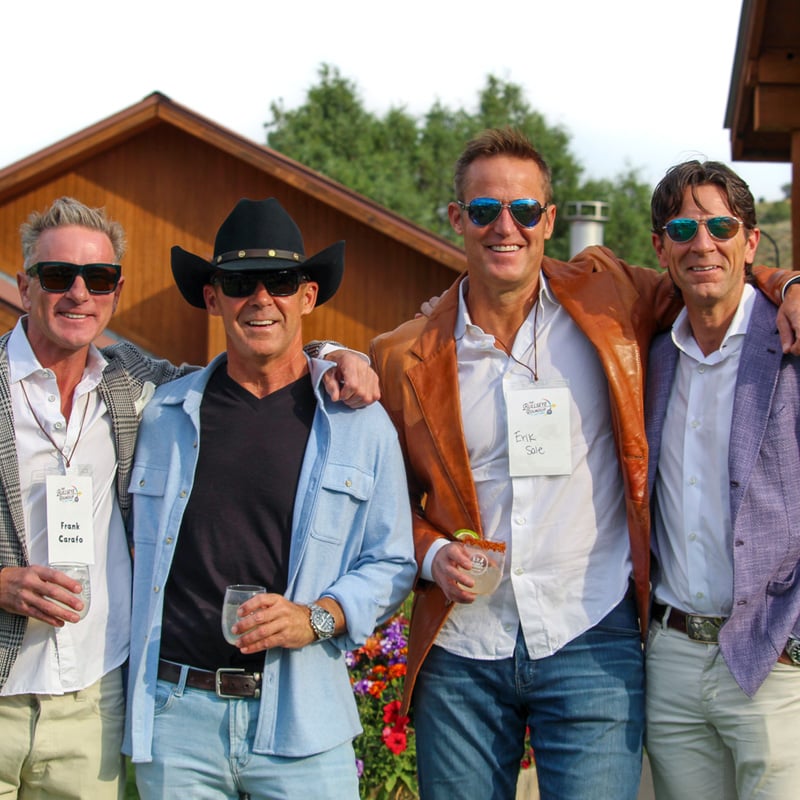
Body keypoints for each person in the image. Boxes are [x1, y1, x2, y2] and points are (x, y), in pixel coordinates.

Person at [369, 128, 799, 800]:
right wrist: (430, 554)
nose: (505, 227)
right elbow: (382, 498)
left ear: (548, 219)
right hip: (464, 649)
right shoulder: (404, 353)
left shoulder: (609, 299)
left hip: (591, 637)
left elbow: (710, 275)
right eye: (484, 211)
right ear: (457, 218)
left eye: (523, 210)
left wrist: (787, 280)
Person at [0, 196, 378, 799]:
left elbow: (254, 361)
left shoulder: (137, 385)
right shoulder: (155, 402)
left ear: (117, 292)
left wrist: (332, 353)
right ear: (24, 286)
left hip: (93, 700)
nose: (78, 293)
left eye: (98, 278)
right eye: (57, 275)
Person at [123, 197, 416, 800]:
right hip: (178, 722)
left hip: (304, 721)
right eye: (239, 283)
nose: (261, 298)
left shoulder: (360, 424)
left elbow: (392, 562)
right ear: (212, 298)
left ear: (307, 296)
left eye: (280, 281)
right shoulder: (162, 416)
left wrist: (315, 618)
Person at [644, 161, 800, 799]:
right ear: (661, 248)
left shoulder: (792, 346)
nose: (702, 243)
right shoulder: (651, 355)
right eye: (683, 229)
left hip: (773, 659)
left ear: (750, 241)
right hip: (671, 662)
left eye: (721, 227)